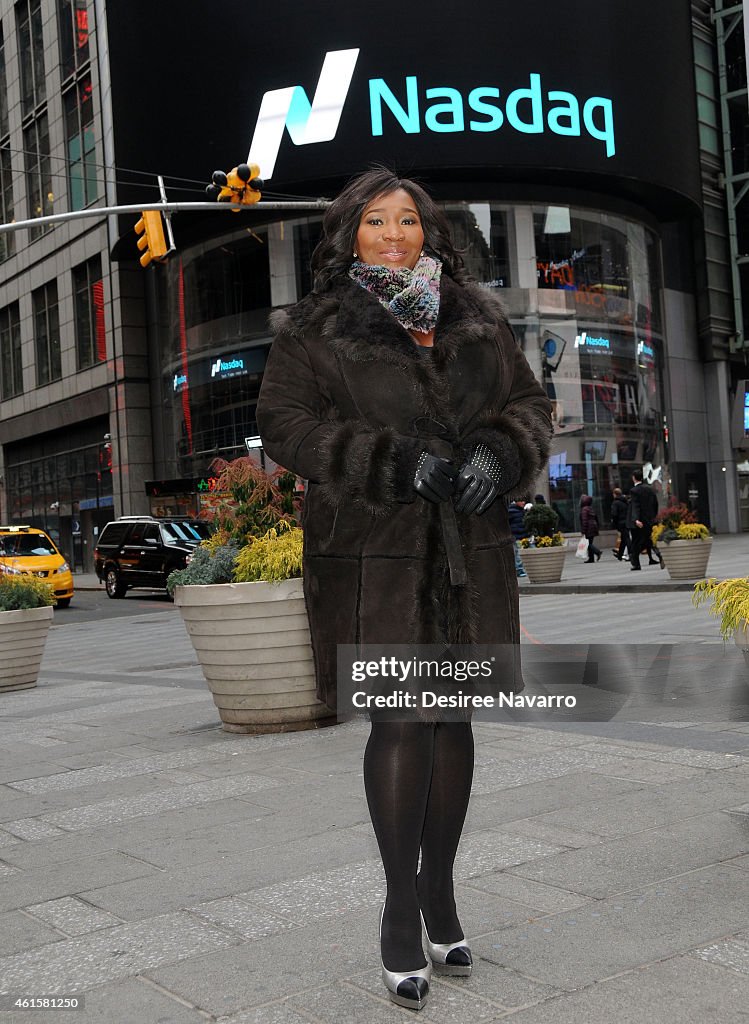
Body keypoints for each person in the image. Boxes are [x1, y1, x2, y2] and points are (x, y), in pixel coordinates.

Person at [256, 167, 552, 1012]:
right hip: (374, 553)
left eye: (409, 221)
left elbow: (533, 403)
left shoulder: (475, 316)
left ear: (430, 231)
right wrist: (391, 461)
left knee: (451, 719)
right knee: (401, 719)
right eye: (377, 221)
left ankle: (441, 893)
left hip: (469, 550)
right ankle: (397, 906)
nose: (395, 234)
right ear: (350, 232)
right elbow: (284, 425)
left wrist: (499, 452)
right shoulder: (313, 328)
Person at [626, 469, 661, 571]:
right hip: (649, 520)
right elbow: (655, 504)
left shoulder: (634, 491)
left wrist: (636, 519)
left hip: (639, 522)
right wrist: (654, 516)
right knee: (648, 539)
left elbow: (635, 506)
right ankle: (659, 555)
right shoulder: (650, 489)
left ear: (634, 478)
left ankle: (636, 564)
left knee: (636, 542)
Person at [508, 498, 529, 577]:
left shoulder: (521, 511)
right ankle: (519, 570)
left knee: (519, 553)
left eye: (524, 501)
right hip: (516, 535)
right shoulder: (512, 511)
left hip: (522, 535)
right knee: (518, 554)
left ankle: (519, 569)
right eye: (521, 501)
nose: (523, 502)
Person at [579, 494, 601, 562]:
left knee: (588, 543)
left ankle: (597, 552)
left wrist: (583, 531)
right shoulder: (590, 508)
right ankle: (591, 558)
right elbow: (596, 518)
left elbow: (584, 521)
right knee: (589, 542)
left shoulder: (584, 509)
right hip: (593, 527)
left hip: (588, 528)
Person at [610, 486, 629, 561]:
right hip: (626, 522)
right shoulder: (625, 501)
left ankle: (630, 553)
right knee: (624, 539)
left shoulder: (615, 503)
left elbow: (614, 514)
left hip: (620, 523)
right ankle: (620, 554)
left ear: (615, 494)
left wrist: (614, 523)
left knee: (626, 539)